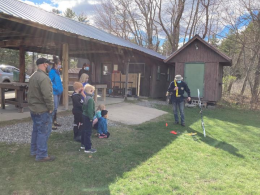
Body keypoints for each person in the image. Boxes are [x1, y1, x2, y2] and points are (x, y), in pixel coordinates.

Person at [28, 58, 55, 162]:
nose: (49, 66)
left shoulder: (33, 76)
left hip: (33, 109)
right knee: (43, 132)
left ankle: (34, 151)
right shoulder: (44, 78)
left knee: (36, 130)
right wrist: (51, 108)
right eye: (48, 64)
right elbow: (48, 96)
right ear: (44, 64)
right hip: (42, 110)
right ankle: (42, 155)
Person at [81, 84, 97, 153]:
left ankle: (83, 144)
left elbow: (83, 107)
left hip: (84, 115)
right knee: (88, 132)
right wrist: (91, 118)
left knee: (84, 130)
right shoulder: (90, 99)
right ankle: (88, 148)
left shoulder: (85, 98)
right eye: (93, 91)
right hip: (88, 117)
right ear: (91, 91)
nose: (93, 92)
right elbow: (90, 110)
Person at [49, 56, 63, 130]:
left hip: (58, 92)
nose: (60, 65)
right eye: (59, 64)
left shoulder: (57, 72)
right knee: (53, 108)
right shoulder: (52, 72)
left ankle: (54, 121)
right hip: (54, 92)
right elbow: (50, 82)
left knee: (56, 108)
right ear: (55, 64)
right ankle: (50, 124)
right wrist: (57, 88)